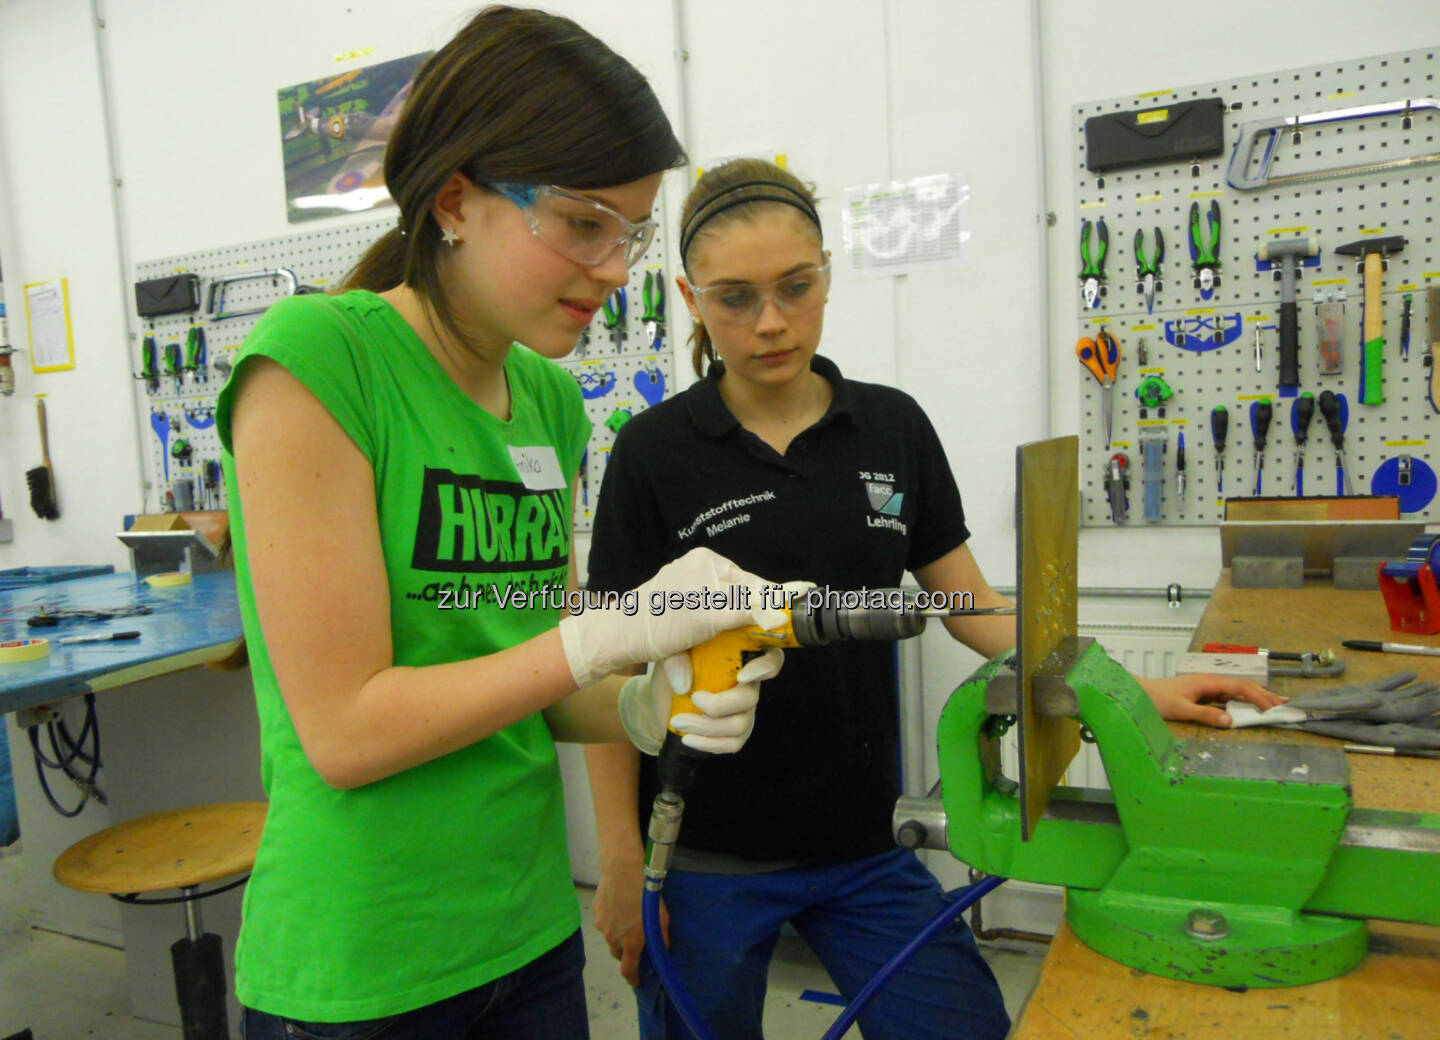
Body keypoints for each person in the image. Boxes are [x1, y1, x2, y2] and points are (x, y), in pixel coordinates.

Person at [583, 158, 1285, 1040]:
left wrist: (1127, 689)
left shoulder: (891, 426)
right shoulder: (654, 452)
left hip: (863, 845)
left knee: (960, 1025)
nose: (769, 323)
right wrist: (619, 855)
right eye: (734, 299)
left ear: (829, 274)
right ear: (689, 298)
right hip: (704, 855)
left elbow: (971, 603)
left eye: (796, 287)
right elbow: (612, 664)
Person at [216, 11, 790, 1038]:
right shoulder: (318, 361)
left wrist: (645, 703)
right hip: (366, 964)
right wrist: (602, 638)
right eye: (583, 224)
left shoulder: (549, 401)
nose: (618, 268)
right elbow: (347, 731)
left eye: (632, 231)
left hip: (526, 936)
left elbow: (522, 675)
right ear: (456, 199)